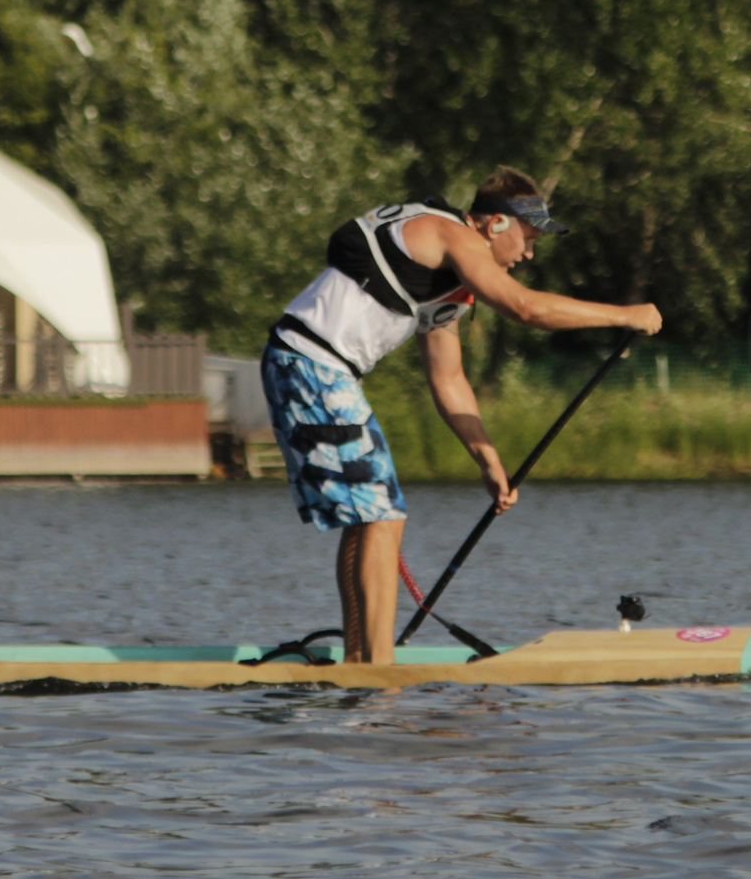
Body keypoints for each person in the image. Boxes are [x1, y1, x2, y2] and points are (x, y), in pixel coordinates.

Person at [259, 167, 662, 664]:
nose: (529, 254)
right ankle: (375, 670)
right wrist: (626, 315)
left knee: (369, 517)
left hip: (307, 367)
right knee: (381, 515)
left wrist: (489, 461)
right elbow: (526, 309)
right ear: (496, 223)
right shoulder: (450, 233)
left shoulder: (445, 282)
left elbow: (448, 380)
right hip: (311, 365)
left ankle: (362, 665)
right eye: (527, 238)